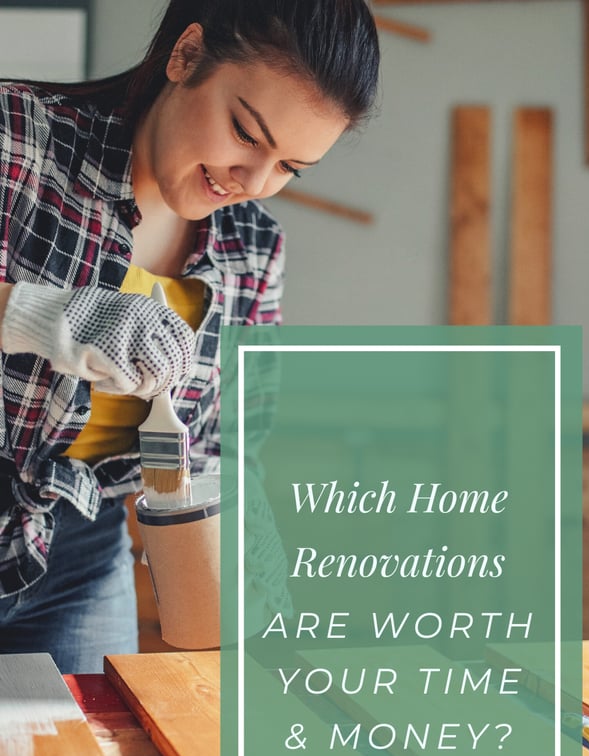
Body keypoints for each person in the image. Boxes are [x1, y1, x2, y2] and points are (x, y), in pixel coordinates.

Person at [0, 0, 380, 673]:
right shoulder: (18, 138)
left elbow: (229, 449)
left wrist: (254, 562)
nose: (254, 183)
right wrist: (51, 316)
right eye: (244, 131)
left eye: (291, 166)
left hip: (80, 558)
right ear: (186, 55)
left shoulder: (254, 251)